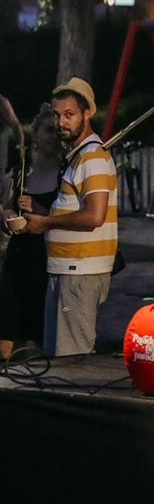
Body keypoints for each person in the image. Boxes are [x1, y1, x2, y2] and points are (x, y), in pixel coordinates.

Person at [15, 80, 118, 357]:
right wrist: (44, 211)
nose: (61, 122)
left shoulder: (92, 157)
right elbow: (75, 210)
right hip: (67, 268)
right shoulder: (77, 156)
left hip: (80, 271)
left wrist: (45, 223)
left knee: (71, 359)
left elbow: (94, 216)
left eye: (69, 114)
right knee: (58, 353)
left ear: (87, 114)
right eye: (57, 115)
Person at [1, 105, 62, 361]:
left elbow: (70, 217)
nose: (54, 136)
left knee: (35, 340)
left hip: (46, 260)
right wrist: (7, 216)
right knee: (5, 337)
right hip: (17, 259)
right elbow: (6, 206)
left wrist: (40, 209)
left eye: (58, 132)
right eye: (48, 130)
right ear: (35, 134)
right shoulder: (20, 171)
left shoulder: (65, 173)